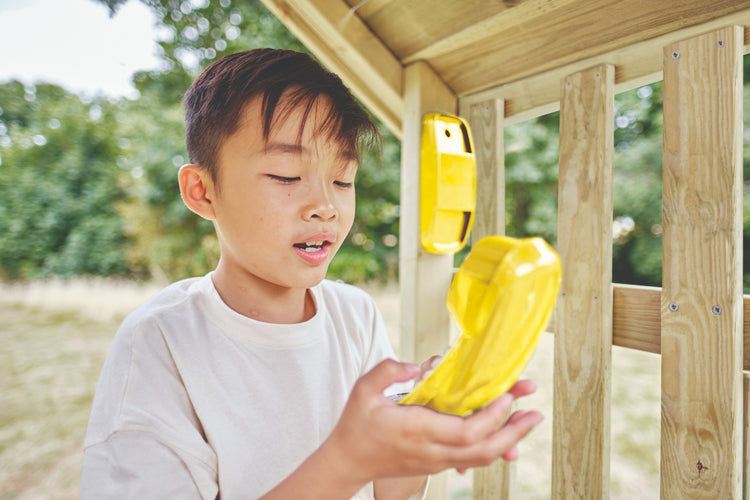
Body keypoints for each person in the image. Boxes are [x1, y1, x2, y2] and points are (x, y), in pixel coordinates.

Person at [80, 48, 543, 500]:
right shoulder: (160, 343)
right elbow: (356, 463)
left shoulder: (355, 316)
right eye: (285, 175)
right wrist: (350, 459)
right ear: (202, 191)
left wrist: (428, 423)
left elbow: (389, 489)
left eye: (342, 180)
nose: (326, 206)